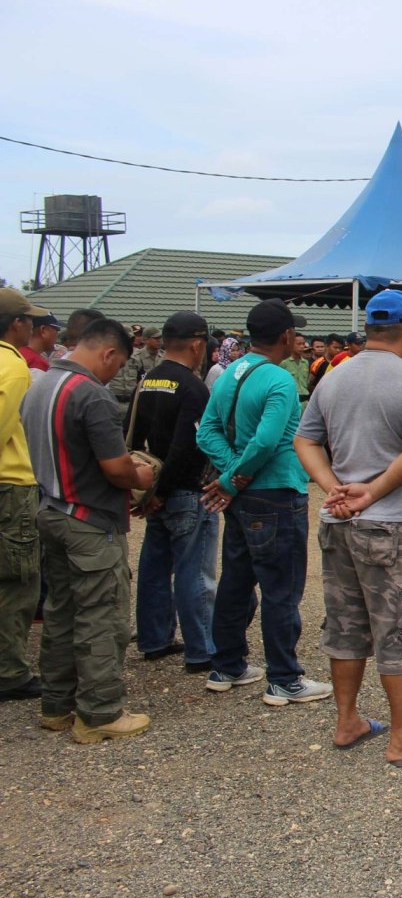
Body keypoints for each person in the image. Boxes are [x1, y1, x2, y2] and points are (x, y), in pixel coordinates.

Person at [295, 288, 402, 766]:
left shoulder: (333, 377)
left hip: (338, 524)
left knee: (346, 621)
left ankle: (348, 721)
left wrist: (334, 487)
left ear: (368, 329)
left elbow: (305, 442)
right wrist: (372, 491)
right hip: (391, 525)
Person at [22, 318, 155, 742]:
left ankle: (56, 705)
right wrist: (142, 476)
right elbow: (115, 469)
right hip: (89, 519)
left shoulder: (41, 383)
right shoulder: (91, 394)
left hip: (51, 509)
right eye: (118, 365)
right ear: (109, 353)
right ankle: (99, 713)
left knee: (61, 612)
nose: (115, 373)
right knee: (102, 616)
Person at [196, 299, 331, 706]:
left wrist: (228, 476)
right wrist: (233, 479)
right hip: (276, 492)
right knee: (281, 587)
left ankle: (228, 665)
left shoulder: (229, 372)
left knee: (236, 580)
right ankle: (284, 678)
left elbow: (207, 432)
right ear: (287, 336)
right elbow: (268, 442)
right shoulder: (279, 380)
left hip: (242, 498)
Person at [128, 311, 218, 674]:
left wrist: (145, 490)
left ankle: (154, 639)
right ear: (198, 345)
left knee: (153, 566)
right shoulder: (193, 387)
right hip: (184, 490)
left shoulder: (147, 379)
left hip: (151, 484)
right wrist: (164, 490)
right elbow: (189, 445)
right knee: (193, 571)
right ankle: (201, 648)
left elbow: (131, 435)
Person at [0, 289, 49, 704]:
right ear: (16, 324)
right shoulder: (13, 366)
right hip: (10, 484)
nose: (32, 326)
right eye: (28, 319)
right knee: (18, 581)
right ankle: (9, 671)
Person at [20, 311, 60, 377]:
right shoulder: (37, 363)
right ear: (43, 330)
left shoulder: (13, 352)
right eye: (57, 329)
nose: (57, 334)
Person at [282, 333, 312, 409]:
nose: (302, 346)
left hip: (305, 401)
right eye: (298, 344)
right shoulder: (284, 362)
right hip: (290, 402)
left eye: (303, 344)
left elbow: (306, 382)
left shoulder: (305, 362)